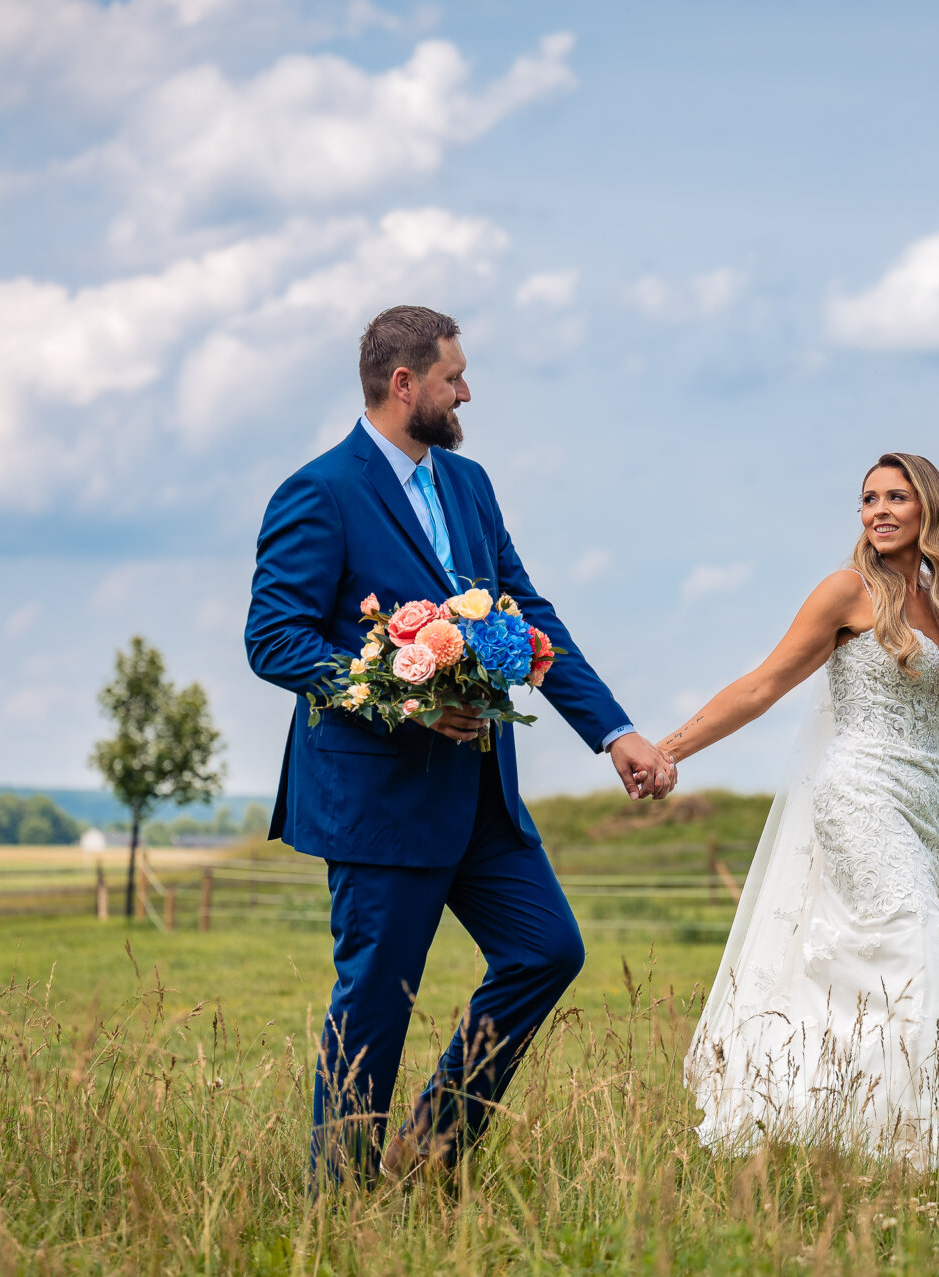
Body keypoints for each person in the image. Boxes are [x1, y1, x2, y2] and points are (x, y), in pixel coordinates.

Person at [245, 305, 679, 1187]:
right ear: (403, 384)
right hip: (380, 803)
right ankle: (343, 1199)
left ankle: (431, 1141)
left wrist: (613, 731)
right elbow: (274, 639)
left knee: (547, 949)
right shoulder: (318, 491)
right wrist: (404, 697)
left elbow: (526, 613)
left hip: (481, 794)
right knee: (372, 1008)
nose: (466, 390)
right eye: (453, 376)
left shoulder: (470, 484)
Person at [660, 453, 939, 1165]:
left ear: (927, 509)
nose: (878, 509)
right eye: (869, 498)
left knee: (867, 970)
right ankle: (925, 1153)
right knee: (922, 956)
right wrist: (669, 749)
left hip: (923, 805)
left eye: (896, 497)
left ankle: (842, 1126)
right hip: (861, 795)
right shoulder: (846, 591)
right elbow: (762, 686)